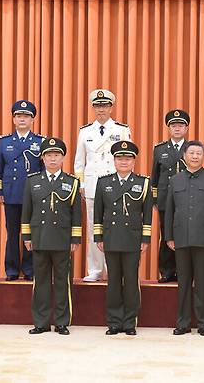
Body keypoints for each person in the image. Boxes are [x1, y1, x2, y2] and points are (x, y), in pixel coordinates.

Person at [165, 141, 204, 336]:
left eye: (198, 153)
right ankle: (182, 323)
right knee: (183, 283)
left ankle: (203, 323)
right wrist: (168, 236)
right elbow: (169, 210)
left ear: (203, 156)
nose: (194, 156)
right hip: (181, 237)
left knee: (202, 283)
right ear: (184, 155)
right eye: (191, 153)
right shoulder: (175, 180)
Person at [22, 137, 82, 335]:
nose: (53, 159)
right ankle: (41, 322)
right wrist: (27, 237)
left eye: (57, 155)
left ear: (63, 157)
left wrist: (75, 238)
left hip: (62, 239)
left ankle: (62, 321)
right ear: (43, 158)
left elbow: (76, 214)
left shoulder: (71, 182)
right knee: (41, 282)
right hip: (39, 238)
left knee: (62, 282)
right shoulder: (33, 181)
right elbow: (27, 212)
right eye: (49, 155)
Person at [94, 140, 153, 336]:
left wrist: (145, 239)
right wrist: (98, 236)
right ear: (114, 160)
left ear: (134, 161)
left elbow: (147, 214)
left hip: (133, 239)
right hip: (110, 238)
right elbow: (98, 213)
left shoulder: (143, 182)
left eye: (128, 158)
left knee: (130, 281)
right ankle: (113, 322)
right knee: (112, 283)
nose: (124, 161)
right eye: (120, 158)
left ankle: (129, 322)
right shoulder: (104, 182)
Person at [74, 89, 131, 282]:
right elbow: (79, 162)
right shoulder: (85, 131)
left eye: (105, 105)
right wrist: (81, 183)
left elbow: (127, 158)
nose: (101, 109)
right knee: (93, 228)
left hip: (114, 185)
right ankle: (95, 269)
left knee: (115, 227)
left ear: (111, 107)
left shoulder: (121, 130)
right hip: (92, 185)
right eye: (97, 106)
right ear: (93, 107)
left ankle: (113, 269)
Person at [0, 100, 44, 281]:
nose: (22, 119)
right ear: (14, 119)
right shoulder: (4, 141)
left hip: (33, 196)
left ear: (32, 120)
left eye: (26, 116)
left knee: (31, 233)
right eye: (19, 116)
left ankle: (30, 270)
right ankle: (12, 270)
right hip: (11, 195)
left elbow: (44, 170)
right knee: (12, 234)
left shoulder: (39, 141)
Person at [151, 109, 189, 283]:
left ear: (186, 128)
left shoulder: (192, 149)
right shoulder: (160, 149)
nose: (177, 129)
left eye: (180, 125)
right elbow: (155, 176)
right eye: (174, 125)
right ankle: (166, 270)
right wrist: (154, 198)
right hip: (165, 199)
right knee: (166, 234)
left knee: (183, 235)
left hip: (186, 198)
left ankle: (183, 271)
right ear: (168, 128)